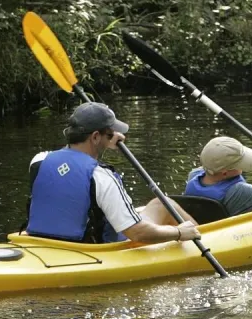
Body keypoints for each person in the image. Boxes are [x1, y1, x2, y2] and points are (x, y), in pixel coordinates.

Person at [25, 102, 199, 244]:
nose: (112, 137)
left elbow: (71, 165)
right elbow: (138, 233)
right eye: (109, 134)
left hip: (44, 243)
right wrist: (177, 233)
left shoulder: (39, 160)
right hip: (96, 250)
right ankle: (203, 238)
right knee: (164, 203)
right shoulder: (101, 177)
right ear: (94, 137)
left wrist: (106, 141)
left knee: (152, 206)